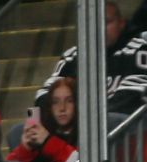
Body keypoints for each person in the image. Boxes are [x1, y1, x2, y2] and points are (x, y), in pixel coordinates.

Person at [38, 1, 147, 132]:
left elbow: (131, 98)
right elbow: (44, 94)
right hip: (77, 125)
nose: (100, 28)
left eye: (107, 22)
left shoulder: (139, 48)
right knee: (20, 131)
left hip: (125, 129)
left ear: (121, 24)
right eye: (94, 23)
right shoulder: (72, 56)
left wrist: (79, 117)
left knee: (108, 121)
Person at [8, 76, 79, 162]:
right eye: (55, 102)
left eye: (69, 101)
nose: (62, 108)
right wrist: (25, 150)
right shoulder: (40, 135)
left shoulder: (86, 134)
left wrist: (48, 141)